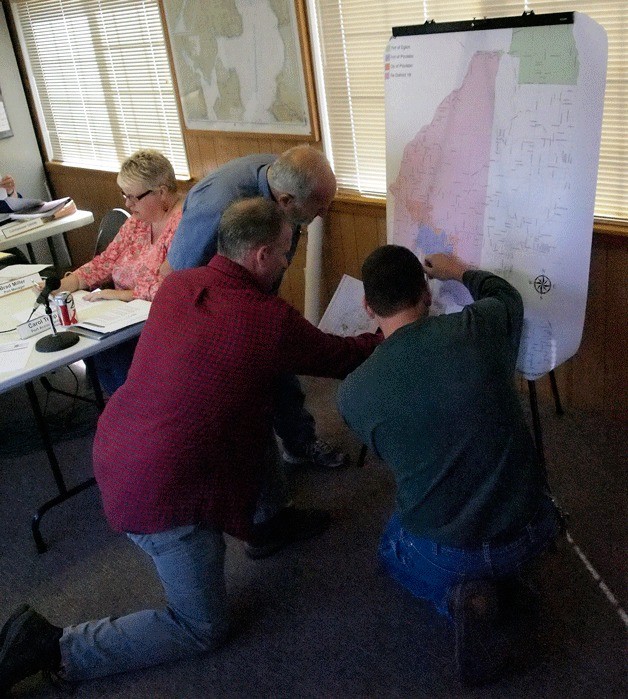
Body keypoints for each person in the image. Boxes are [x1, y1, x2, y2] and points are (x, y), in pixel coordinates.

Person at [0, 197, 380, 692]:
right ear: (262, 255)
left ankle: (266, 524)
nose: (289, 261)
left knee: (250, 408)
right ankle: (52, 644)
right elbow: (338, 356)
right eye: (287, 252)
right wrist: (394, 334)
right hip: (159, 490)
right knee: (201, 627)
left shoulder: (180, 285)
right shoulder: (265, 320)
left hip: (119, 444)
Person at [337, 246, 561, 686]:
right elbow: (506, 296)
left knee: (390, 543)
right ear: (427, 292)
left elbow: (395, 457)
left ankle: (467, 598)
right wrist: (459, 271)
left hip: (449, 556)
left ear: (367, 306)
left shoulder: (352, 394)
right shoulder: (481, 327)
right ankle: (504, 579)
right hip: (534, 527)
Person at [163, 145, 345, 469]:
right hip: (211, 311)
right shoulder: (216, 206)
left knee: (278, 364)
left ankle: (299, 443)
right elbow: (179, 276)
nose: (324, 214)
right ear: (286, 201)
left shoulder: (284, 178)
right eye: (318, 208)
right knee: (240, 407)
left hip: (252, 295)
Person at [52, 149, 183, 393]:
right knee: (90, 347)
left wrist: (124, 294)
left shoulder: (183, 224)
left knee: (113, 361)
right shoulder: (139, 219)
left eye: (134, 197)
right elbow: (106, 261)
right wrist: (67, 283)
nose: (127, 203)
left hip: (160, 324)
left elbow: (175, 286)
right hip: (122, 320)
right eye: (124, 195)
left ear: (162, 191)